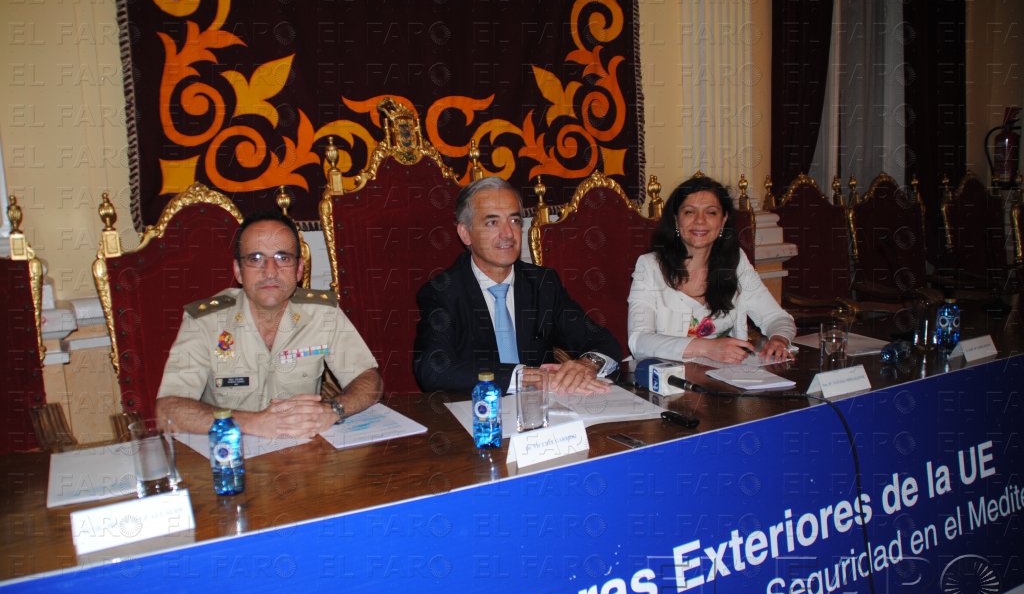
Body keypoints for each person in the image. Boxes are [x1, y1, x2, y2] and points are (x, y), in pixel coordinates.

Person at [156, 210, 382, 437]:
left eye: (283, 258)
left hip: (304, 450)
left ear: (298, 270)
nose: (270, 271)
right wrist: (252, 423)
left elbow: (369, 380)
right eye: (256, 259)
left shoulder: (322, 314)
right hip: (231, 449)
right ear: (238, 271)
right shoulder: (205, 321)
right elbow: (168, 409)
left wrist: (333, 410)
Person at [414, 176, 623, 394]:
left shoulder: (542, 284)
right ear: (465, 234)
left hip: (545, 407)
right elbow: (432, 369)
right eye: (492, 222)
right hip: (479, 409)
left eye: (514, 221)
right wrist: (522, 377)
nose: (508, 234)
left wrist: (588, 364)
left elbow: (602, 340)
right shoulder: (443, 292)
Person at [628, 175, 796, 364]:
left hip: (726, 374)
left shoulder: (736, 261)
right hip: (667, 375)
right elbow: (639, 341)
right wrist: (708, 348)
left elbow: (776, 318)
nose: (700, 220)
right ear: (676, 219)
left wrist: (779, 339)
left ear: (723, 220)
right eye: (689, 212)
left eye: (711, 212)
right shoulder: (649, 266)